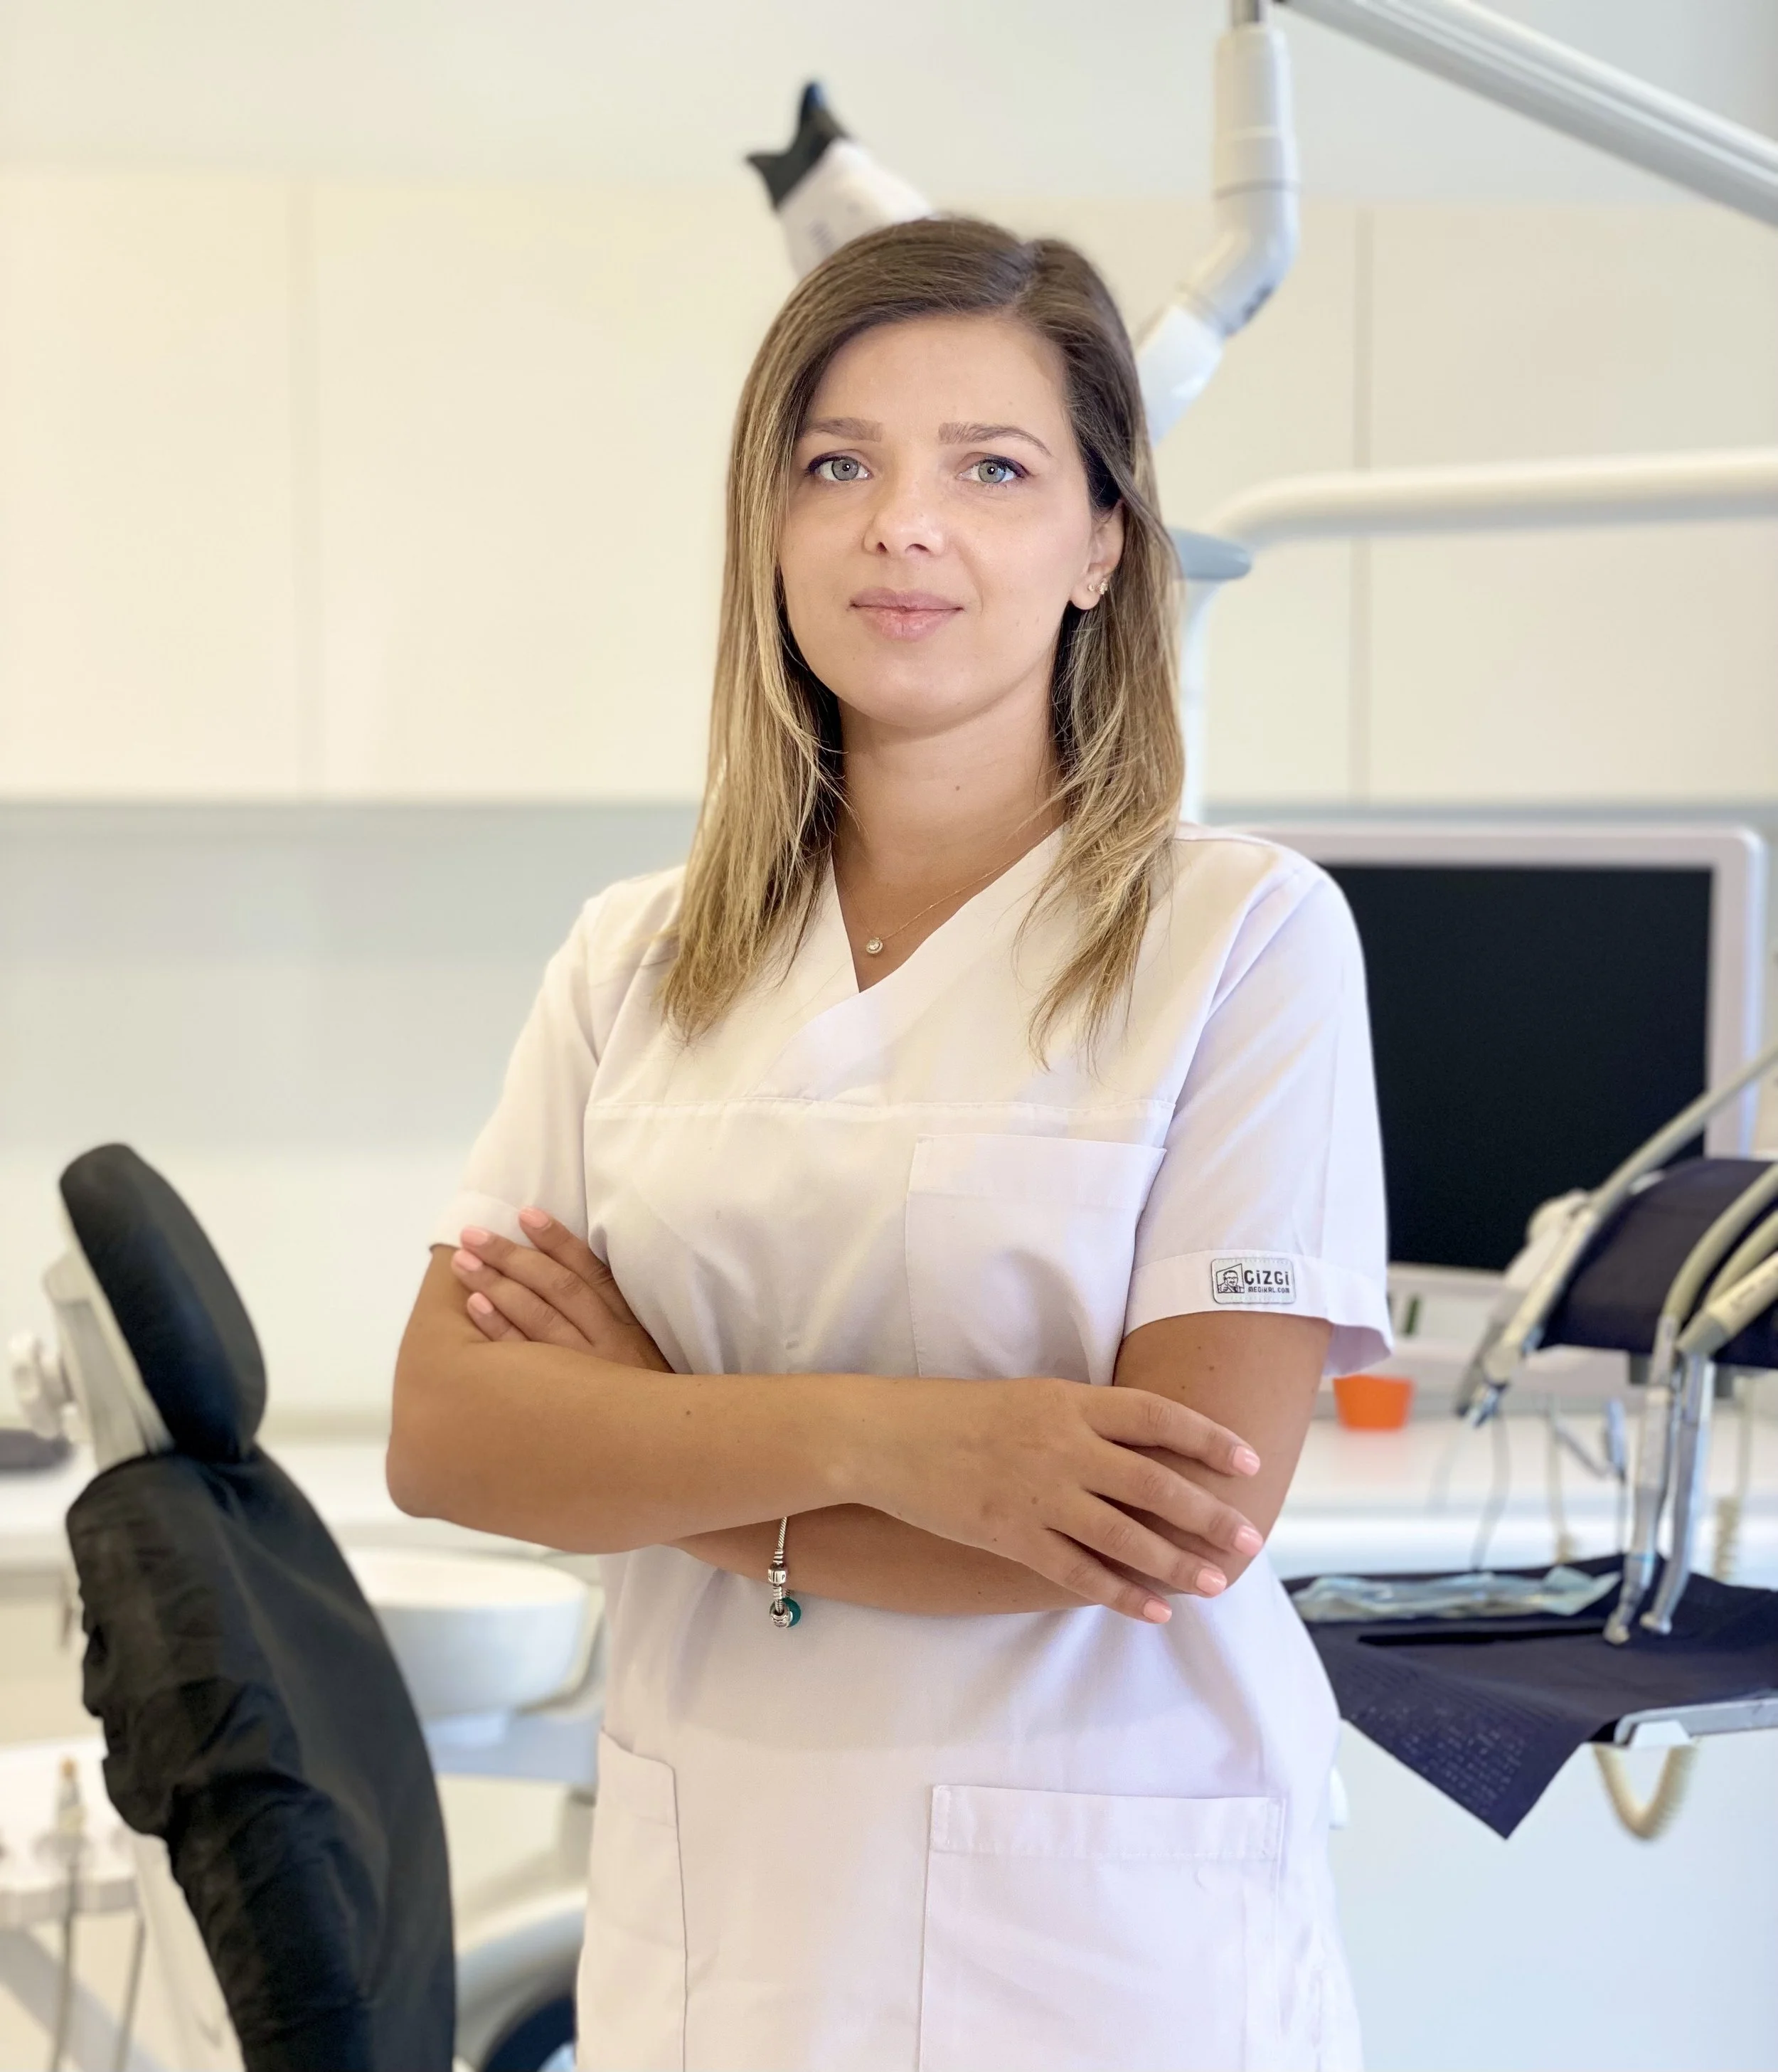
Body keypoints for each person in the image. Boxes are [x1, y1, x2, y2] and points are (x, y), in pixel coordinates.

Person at [388, 215, 1388, 2072]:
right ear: (767, 531)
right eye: (835, 465)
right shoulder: (639, 955)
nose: (897, 526)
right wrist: (900, 1440)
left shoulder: (1239, 938)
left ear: (1102, 541)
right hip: (728, 1914)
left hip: (1097, 1935)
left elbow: (1170, 1520)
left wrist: (647, 1435)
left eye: (990, 469)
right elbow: (449, 1436)